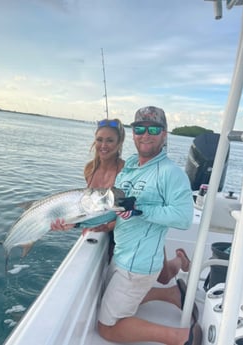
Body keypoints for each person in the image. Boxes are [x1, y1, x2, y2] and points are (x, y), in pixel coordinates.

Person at [97, 106, 201, 345]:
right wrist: (81, 222)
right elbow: (119, 209)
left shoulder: (170, 173)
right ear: (132, 133)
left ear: (164, 134)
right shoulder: (130, 169)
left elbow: (183, 217)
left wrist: (141, 210)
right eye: (139, 128)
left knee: (107, 327)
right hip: (122, 255)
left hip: (138, 265)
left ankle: (183, 337)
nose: (146, 134)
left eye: (153, 129)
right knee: (104, 299)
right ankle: (172, 293)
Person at [51, 117, 191, 285]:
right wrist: (77, 222)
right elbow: (91, 205)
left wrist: (108, 225)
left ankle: (180, 261)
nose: (104, 145)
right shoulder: (90, 169)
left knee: (163, 276)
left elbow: (128, 208)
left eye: (110, 140)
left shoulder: (127, 170)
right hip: (110, 228)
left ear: (119, 143)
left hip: (132, 230)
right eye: (99, 140)